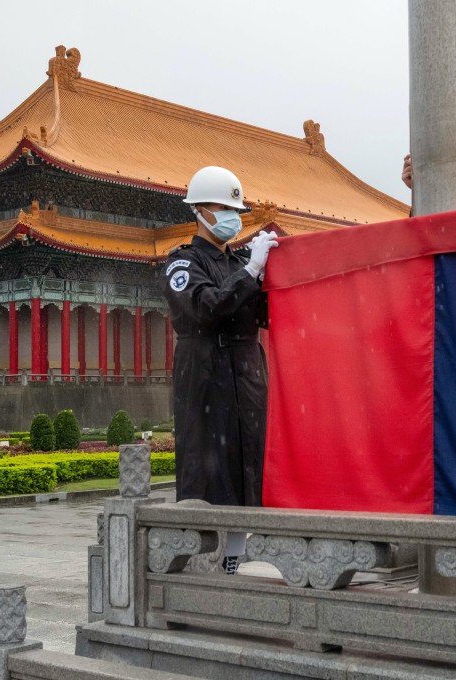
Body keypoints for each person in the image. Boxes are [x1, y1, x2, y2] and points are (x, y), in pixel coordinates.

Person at [163, 166, 278, 575]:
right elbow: (205, 307)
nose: (231, 217)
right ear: (200, 211)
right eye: (222, 207)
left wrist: (273, 272)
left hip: (246, 374)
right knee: (211, 468)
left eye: (236, 210)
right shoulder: (183, 263)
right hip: (206, 375)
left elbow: (268, 313)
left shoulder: (244, 261)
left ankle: (241, 559)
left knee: (250, 464)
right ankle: (207, 562)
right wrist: (250, 274)